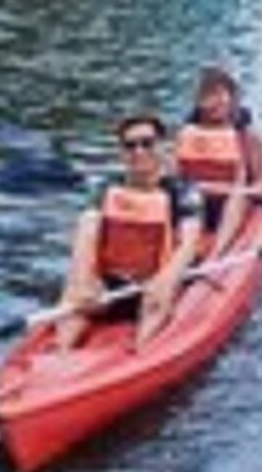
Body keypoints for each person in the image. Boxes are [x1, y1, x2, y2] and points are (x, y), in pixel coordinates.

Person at [54, 112, 204, 353]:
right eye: (130, 145)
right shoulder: (105, 188)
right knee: (73, 296)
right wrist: (83, 281)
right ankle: (59, 360)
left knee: (156, 300)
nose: (139, 151)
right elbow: (86, 234)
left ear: (162, 146)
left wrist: (165, 280)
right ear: (121, 153)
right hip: (113, 285)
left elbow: (188, 243)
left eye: (147, 143)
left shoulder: (184, 191)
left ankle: (139, 356)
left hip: (158, 283)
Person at [172, 65, 262, 259]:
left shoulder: (246, 137)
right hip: (195, 203)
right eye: (209, 96)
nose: (216, 102)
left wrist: (255, 189)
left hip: (230, 205)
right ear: (199, 102)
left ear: (232, 99)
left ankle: (216, 255)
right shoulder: (185, 135)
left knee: (237, 196)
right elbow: (174, 176)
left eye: (221, 95)